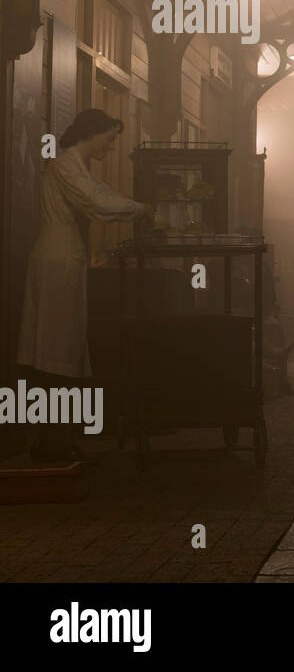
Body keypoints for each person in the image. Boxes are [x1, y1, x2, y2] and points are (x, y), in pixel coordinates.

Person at [17, 108, 154, 462]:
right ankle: (52, 443)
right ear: (91, 133)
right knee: (55, 354)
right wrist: (141, 210)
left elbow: (100, 193)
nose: (111, 146)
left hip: (64, 257)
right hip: (58, 259)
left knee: (59, 352)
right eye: (109, 138)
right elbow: (95, 201)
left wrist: (135, 208)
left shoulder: (76, 166)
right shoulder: (66, 164)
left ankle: (54, 439)